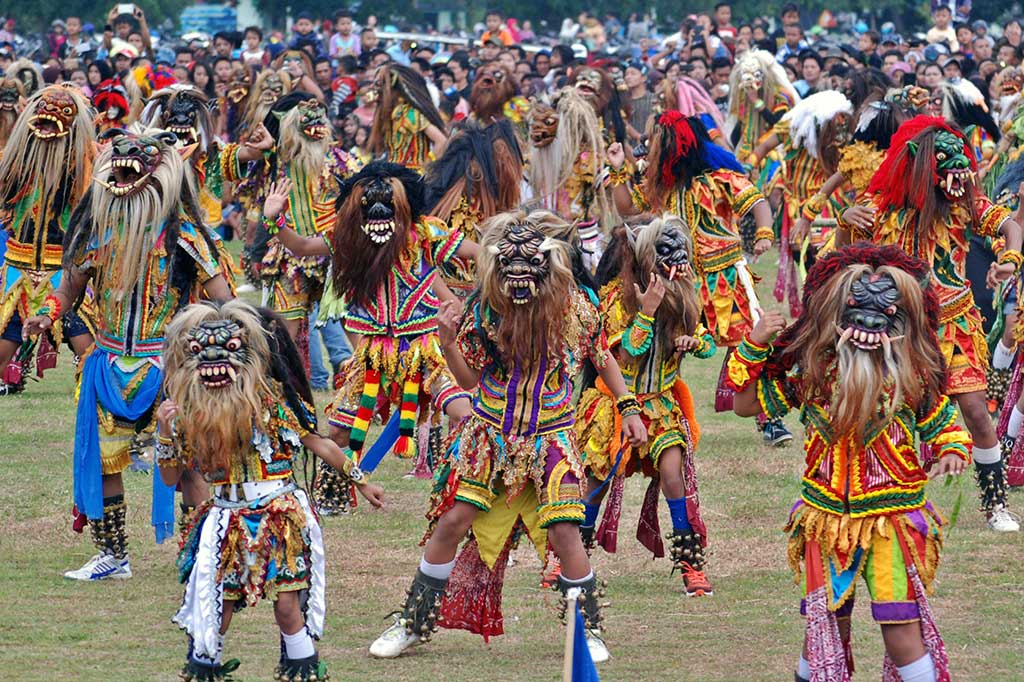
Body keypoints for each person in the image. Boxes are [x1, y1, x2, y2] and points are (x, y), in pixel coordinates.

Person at [368, 209, 646, 662]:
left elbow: (602, 356)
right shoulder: (485, 311)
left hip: (550, 437)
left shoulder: (576, 308)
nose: (518, 284)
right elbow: (470, 381)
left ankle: (587, 630)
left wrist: (628, 406)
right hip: (489, 437)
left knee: (565, 532)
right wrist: (448, 343)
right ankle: (413, 623)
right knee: (452, 521)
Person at [730, 243, 969, 682]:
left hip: (892, 523)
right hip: (825, 522)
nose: (869, 324)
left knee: (900, 628)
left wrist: (952, 452)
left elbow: (945, 427)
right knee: (824, 629)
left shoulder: (913, 374)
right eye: (856, 311)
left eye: (884, 313)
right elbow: (743, 405)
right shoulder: (813, 372)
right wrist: (754, 343)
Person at [22, 128, 234, 581]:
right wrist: (46, 314)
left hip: (170, 368)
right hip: (108, 364)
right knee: (103, 462)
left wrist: (214, 340)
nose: (122, 174)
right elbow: (69, 289)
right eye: (116, 169)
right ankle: (113, 556)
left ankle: (202, 555)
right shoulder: (95, 234)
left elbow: (224, 300)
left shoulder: (185, 237)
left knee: (188, 464)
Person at [158, 300, 383, 681]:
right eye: (200, 352)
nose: (214, 364)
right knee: (218, 608)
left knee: (288, 608)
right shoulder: (186, 414)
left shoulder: (271, 402)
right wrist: (166, 433)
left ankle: (304, 672)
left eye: (229, 350)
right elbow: (169, 478)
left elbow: (318, 442)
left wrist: (361, 480)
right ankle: (203, 669)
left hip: (279, 516)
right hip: (226, 521)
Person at [847, 116, 1022, 531]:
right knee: (892, 413)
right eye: (946, 169)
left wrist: (1009, 260)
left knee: (976, 412)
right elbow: (847, 257)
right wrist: (844, 221)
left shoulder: (965, 203)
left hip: (955, 324)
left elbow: (1009, 225)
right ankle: (894, 497)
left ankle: (995, 504)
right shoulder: (879, 205)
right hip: (899, 328)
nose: (957, 178)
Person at [577, 216, 717, 597]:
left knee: (674, 474)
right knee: (597, 480)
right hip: (616, 404)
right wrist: (647, 311)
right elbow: (623, 353)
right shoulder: (616, 297)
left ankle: (691, 563)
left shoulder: (684, 293)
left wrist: (693, 342)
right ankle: (570, 557)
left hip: (662, 405)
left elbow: (708, 342)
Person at [0, 86, 96, 396]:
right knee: (4, 343)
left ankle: (94, 389)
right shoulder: (14, 163)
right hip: (18, 268)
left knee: (85, 343)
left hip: (63, 268)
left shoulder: (84, 165)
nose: (48, 125)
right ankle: (11, 372)